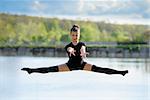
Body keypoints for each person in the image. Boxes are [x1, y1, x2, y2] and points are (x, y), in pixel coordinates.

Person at [21, 24, 128, 76]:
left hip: (82, 64)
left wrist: (82, 52)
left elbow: (82, 48)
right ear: (70, 35)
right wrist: (70, 50)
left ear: (79, 34)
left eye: (77, 35)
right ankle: (31, 70)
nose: (75, 36)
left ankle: (120, 72)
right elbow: (69, 48)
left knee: (101, 69)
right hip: (70, 65)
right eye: (73, 35)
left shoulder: (82, 44)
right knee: (49, 69)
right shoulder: (68, 45)